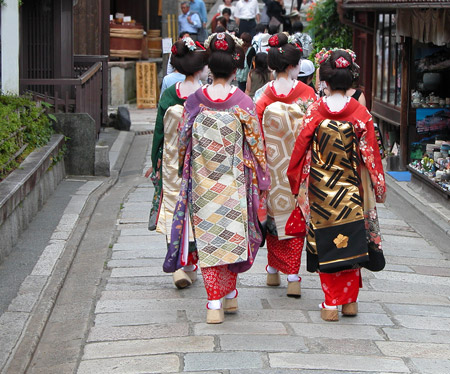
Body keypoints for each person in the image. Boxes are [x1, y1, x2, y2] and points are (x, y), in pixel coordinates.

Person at [169, 32, 270, 324]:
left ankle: (217, 299)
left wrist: (180, 170)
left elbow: (182, 141)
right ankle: (224, 296)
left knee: (210, 237)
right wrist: (262, 180)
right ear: (236, 68)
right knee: (232, 235)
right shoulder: (243, 102)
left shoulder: (194, 102)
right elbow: (257, 146)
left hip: (202, 182)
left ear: (209, 67)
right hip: (235, 181)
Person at [287, 49, 386, 321]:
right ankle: (350, 301)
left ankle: (331, 303)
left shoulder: (315, 110)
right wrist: (378, 187)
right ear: (351, 81)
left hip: (321, 189)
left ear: (325, 82)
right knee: (353, 240)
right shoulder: (360, 113)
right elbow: (372, 154)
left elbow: (299, 150)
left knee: (326, 242)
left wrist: (295, 182)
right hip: (352, 187)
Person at [255, 32, 316, 298]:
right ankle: (293, 275)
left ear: (271, 65)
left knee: (272, 217)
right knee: (295, 217)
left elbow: (255, 134)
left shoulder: (263, 96)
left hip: (271, 165)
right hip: (299, 166)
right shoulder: (307, 94)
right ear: (294, 66)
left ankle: (271, 270)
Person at [149, 38, 209, 289]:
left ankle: (179, 264)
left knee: (173, 209)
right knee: (197, 211)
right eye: (205, 66)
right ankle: (189, 264)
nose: (208, 70)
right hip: (199, 162)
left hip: (172, 162)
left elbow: (158, 133)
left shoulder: (170, 96)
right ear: (199, 69)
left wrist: (155, 163)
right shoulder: (206, 96)